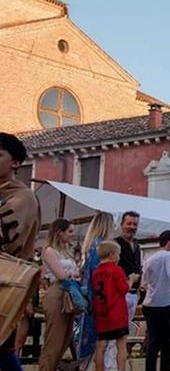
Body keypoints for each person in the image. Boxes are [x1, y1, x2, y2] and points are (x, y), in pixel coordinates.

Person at [0, 132, 39, 371]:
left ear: (15, 162)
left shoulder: (23, 197)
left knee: (3, 349)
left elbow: (6, 238)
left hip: (6, 284)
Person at [39, 218, 80, 371]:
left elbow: (73, 273)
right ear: (59, 233)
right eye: (69, 231)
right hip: (57, 293)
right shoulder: (49, 251)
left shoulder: (66, 252)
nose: (72, 235)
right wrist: (72, 273)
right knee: (54, 340)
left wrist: (72, 274)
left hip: (68, 293)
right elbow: (61, 275)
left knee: (65, 338)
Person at [77, 211, 116, 370]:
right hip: (99, 301)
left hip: (90, 299)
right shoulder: (100, 248)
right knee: (98, 343)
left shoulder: (90, 246)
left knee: (90, 342)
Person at [141, 230, 170, 371]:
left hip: (149, 303)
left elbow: (144, 282)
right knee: (167, 343)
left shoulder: (150, 259)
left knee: (153, 341)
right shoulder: (169, 255)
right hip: (164, 303)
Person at [91, 241, 132, 371]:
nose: (119, 257)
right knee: (121, 344)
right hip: (117, 313)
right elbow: (124, 289)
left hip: (101, 313)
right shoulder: (116, 270)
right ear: (112, 255)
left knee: (101, 345)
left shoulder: (96, 272)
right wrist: (131, 280)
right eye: (118, 254)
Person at [111, 211, 142, 369]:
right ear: (122, 224)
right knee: (117, 332)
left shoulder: (137, 245)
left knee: (125, 330)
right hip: (120, 293)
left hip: (133, 293)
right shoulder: (116, 244)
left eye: (135, 224)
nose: (132, 227)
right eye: (129, 224)